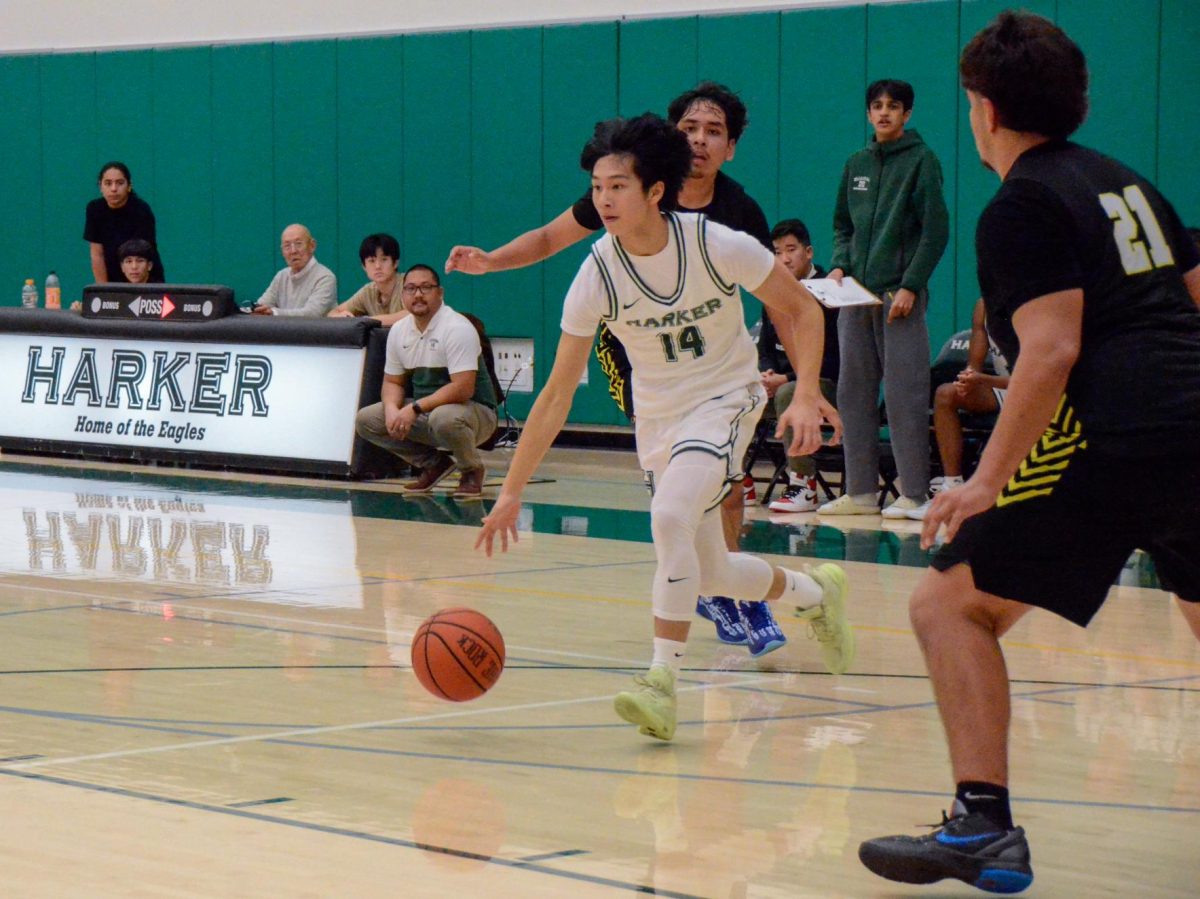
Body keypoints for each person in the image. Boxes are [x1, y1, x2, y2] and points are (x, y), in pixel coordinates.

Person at [859, 11, 1200, 894]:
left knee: (949, 606)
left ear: (982, 109)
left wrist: (983, 480)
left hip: (1118, 433)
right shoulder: (1129, 183)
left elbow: (1051, 348)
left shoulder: (1021, 203)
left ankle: (982, 827)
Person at [474, 114, 855, 743]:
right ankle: (817, 593)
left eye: (618, 186)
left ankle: (659, 682)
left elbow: (801, 308)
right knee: (710, 573)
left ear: (655, 191)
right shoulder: (596, 273)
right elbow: (557, 392)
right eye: (597, 187)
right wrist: (511, 489)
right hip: (658, 420)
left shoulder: (717, 243)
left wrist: (807, 391)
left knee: (671, 517)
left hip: (728, 398)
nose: (604, 199)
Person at [445, 82, 786, 657]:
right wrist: (493, 261)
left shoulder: (734, 216)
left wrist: (787, 373)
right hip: (643, 362)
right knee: (684, 508)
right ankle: (719, 581)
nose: (699, 140)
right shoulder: (616, 201)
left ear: (730, 147)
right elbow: (553, 237)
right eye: (690, 129)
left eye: (714, 131)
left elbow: (782, 298)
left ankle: (705, 627)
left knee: (708, 493)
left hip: (718, 374)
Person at [819, 79, 950, 519]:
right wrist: (839, 264)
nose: (884, 113)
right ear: (868, 112)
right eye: (876, 105)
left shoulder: (922, 161)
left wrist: (912, 284)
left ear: (907, 114)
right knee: (853, 392)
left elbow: (935, 231)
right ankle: (859, 492)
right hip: (855, 295)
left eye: (894, 106)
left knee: (903, 394)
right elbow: (843, 224)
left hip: (899, 297)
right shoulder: (856, 162)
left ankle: (914, 493)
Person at [355, 264, 498, 499]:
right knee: (367, 420)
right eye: (411, 288)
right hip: (425, 413)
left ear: (440, 293)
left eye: (425, 288)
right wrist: (392, 410)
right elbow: (393, 382)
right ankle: (434, 465)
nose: (418, 294)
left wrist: (414, 408)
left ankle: (471, 470)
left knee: (445, 418)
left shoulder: (457, 328)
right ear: (402, 295)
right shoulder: (399, 331)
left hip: (475, 415)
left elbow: (463, 388)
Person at [762, 218, 840, 514]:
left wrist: (787, 378)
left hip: (825, 385)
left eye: (791, 249)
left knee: (790, 394)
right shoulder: (772, 289)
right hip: (782, 381)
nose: (784, 258)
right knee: (736, 395)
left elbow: (832, 358)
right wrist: (766, 373)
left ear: (808, 252)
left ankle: (803, 485)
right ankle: (735, 480)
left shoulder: (828, 290)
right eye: (777, 252)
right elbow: (765, 348)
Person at [909, 297, 1009, 521]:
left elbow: (1030, 378)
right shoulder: (985, 304)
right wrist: (970, 376)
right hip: (1003, 385)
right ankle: (952, 485)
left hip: (1040, 392)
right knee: (947, 394)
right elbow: (976, 357)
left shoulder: (1032, 302)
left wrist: (983, 379)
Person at [83, 161, 166, 284]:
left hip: (144, 279)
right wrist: (103, 291)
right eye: (108, 183)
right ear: (100, 186)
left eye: (120, 183)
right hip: (112, 276)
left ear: (129, 186)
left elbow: (142, 256)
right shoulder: (94, 209)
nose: (114, 189)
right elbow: (97, 255)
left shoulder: (141, 210)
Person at [252, 224, 337, 317]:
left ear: (312, 246)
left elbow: (312, 313)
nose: (293, 251)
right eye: (287, 246)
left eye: (298, 244)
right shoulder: (281, 276)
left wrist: (274, 313)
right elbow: (263, 304)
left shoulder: (325, 277)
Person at [328, 233, 409, 326]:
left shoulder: (409, 284)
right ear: (364, 266)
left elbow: (411, 315)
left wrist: (368, 321)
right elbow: (333, 312)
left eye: (384, 259)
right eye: (372, 261)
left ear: (395, 263)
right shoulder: (368, 291)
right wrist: (341, 316)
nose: (378, 266)